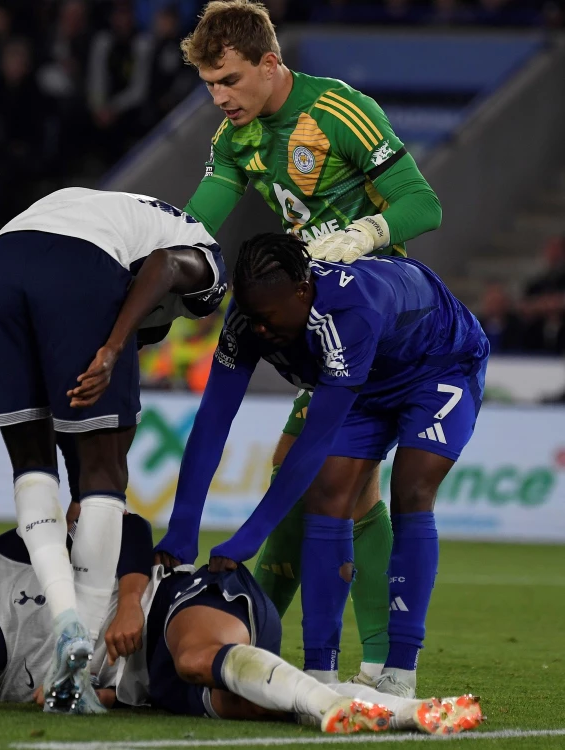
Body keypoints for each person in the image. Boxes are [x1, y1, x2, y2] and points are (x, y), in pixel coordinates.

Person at [170, 0, 443, 685]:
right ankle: (336, 652)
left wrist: (368, 234)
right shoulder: (235, 140)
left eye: (229, 80)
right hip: (309, 319)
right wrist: (151, 247)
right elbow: (199, 222)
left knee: (322, 476)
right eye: (209, 85)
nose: (219, 98)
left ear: (270, 63)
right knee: (338, 489)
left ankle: (311, 644)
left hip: (369, 316)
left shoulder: (340, 111)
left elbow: (424, 204)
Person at [157, 233, 489, 699]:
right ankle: (321, 673)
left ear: (302, 291)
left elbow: (311, 446)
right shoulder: (249, 320)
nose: (260, 332)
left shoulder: (350, 314)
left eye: (268, 320)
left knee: (412, 489)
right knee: (328, 495)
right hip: (367, 379)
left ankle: (400, 670)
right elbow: (213, 418)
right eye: (250, 318)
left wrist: (250, 535)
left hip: (439, 364)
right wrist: (183, 527)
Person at [0, 188, 227, 714]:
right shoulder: (207, 261)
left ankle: (66, 619)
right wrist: (113, 347)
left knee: (31, 465)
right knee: (106, 473)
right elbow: (161, 266)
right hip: (80, 263)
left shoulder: (122, 210)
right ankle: (76, 667)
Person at [0, 514, 483, 736]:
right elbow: (114, 692)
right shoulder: (14, 692)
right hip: (161, 685)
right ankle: (408, 712)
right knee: (253, 710)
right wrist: (99, 696)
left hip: (181, 601)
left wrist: (125, 603)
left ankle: (328, 706)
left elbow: (130, 529)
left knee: (200, 659)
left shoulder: (4, 561)